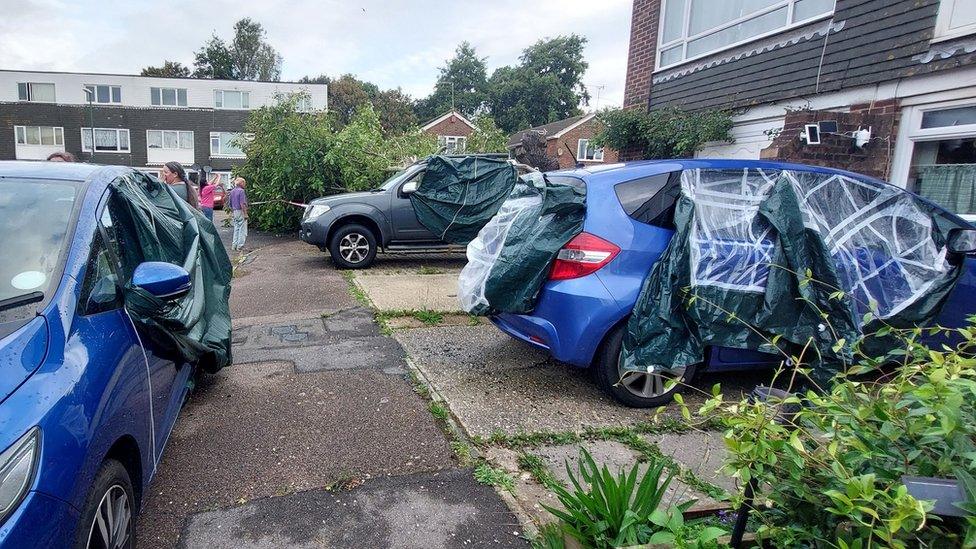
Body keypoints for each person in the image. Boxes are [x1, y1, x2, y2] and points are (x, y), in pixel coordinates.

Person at [228, 177, 248, 252]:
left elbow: (229, 203)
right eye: (244, 183)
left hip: (235, 211)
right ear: (241, 183)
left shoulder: (232, 191)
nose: (245, 184)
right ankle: (240, 246)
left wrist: (233, 211)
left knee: (236, 229)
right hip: (241, 211)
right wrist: (245, 213)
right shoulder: (241, 191)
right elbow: (242, 203)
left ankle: (234, 245)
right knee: (242, 230)